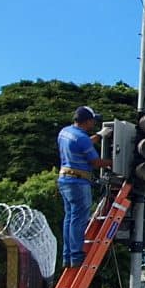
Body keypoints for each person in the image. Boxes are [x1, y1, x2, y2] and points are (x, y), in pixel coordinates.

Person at [58, 106, 111, 268]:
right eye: (93, 120)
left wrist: (100, 136)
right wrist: (115, 163)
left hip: (65, 180)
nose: (94, 123)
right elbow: (95, 162)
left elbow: (82, 143)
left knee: (69, 218)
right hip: (79, 182)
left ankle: (68, 256)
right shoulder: (82, 138)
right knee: (79, 219)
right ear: (87, 121)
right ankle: (76, 255)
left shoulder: (65, 132)